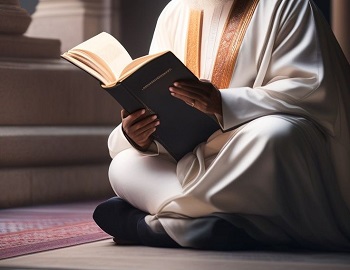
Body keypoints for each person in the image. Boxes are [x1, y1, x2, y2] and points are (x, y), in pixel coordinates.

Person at [93, 0, 350, 251]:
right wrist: (138, 134)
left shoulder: (288, 5)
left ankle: (151, 225)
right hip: (189, 157)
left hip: (247, 148)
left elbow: (310, 87)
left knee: (274, 137)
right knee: (124, 164)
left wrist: (221, 102)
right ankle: (218, 225)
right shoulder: (175, 10)